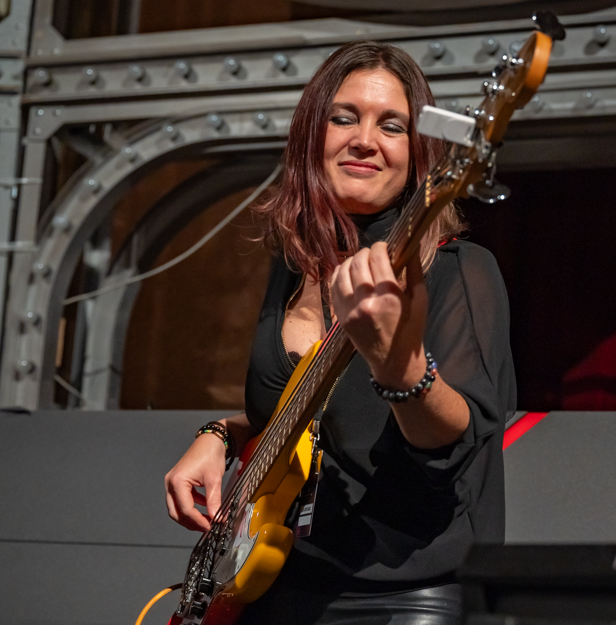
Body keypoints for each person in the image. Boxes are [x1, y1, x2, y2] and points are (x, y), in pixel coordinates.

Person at [164, 40, 515, 625]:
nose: (364, 140)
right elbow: (326, 419)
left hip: (399, 596)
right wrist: (221, 433)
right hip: (277, 587)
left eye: (392, 126)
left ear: (419, 152)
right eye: (344, 118)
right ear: (311, 135)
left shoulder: (458, 270)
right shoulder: (293, 265)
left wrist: (398, 365)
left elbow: (456, 441)